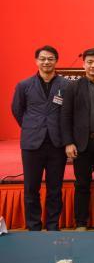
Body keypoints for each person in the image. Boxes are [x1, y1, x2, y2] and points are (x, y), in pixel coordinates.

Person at [11, 45, 69, 231]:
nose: (46, 62)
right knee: (31, 188)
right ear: (36, 61)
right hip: (32, 143)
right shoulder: (24, 85)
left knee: (55, 188)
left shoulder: (66, 85)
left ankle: (52, 226)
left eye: (50, 59)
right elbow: (17, 110)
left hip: (57, 143)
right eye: (42, 59)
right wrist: (32, 126)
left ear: (56, 61)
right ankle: (33, 226)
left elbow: (69, 112)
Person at [61, 48, 94, 231]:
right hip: (80, 144)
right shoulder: (73, 87)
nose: (93, 66)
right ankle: (81, 222)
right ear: (83, 64)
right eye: (89, 62)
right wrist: (68, 142)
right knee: (81, 184)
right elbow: (65, 116)